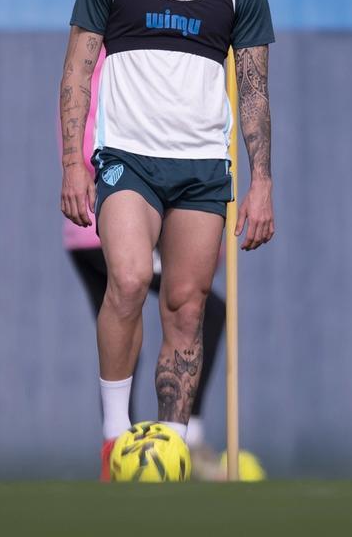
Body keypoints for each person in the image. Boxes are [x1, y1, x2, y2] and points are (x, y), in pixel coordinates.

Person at [58, 0, 275, 480]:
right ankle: (112, 438)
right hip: (128, 158)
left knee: (184, 305)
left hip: (204, 167)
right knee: (126, 280)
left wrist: (261, 182)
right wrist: (73, 163)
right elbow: (75, 71)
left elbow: (257, 91)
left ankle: (171, 449)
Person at [61, 47, 226, 471]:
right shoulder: (112, 57)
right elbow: (94, 126)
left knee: (126, 328)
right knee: (192, 308)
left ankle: (119, 451)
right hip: (103, 221)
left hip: (92, 227)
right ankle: (182, 437)